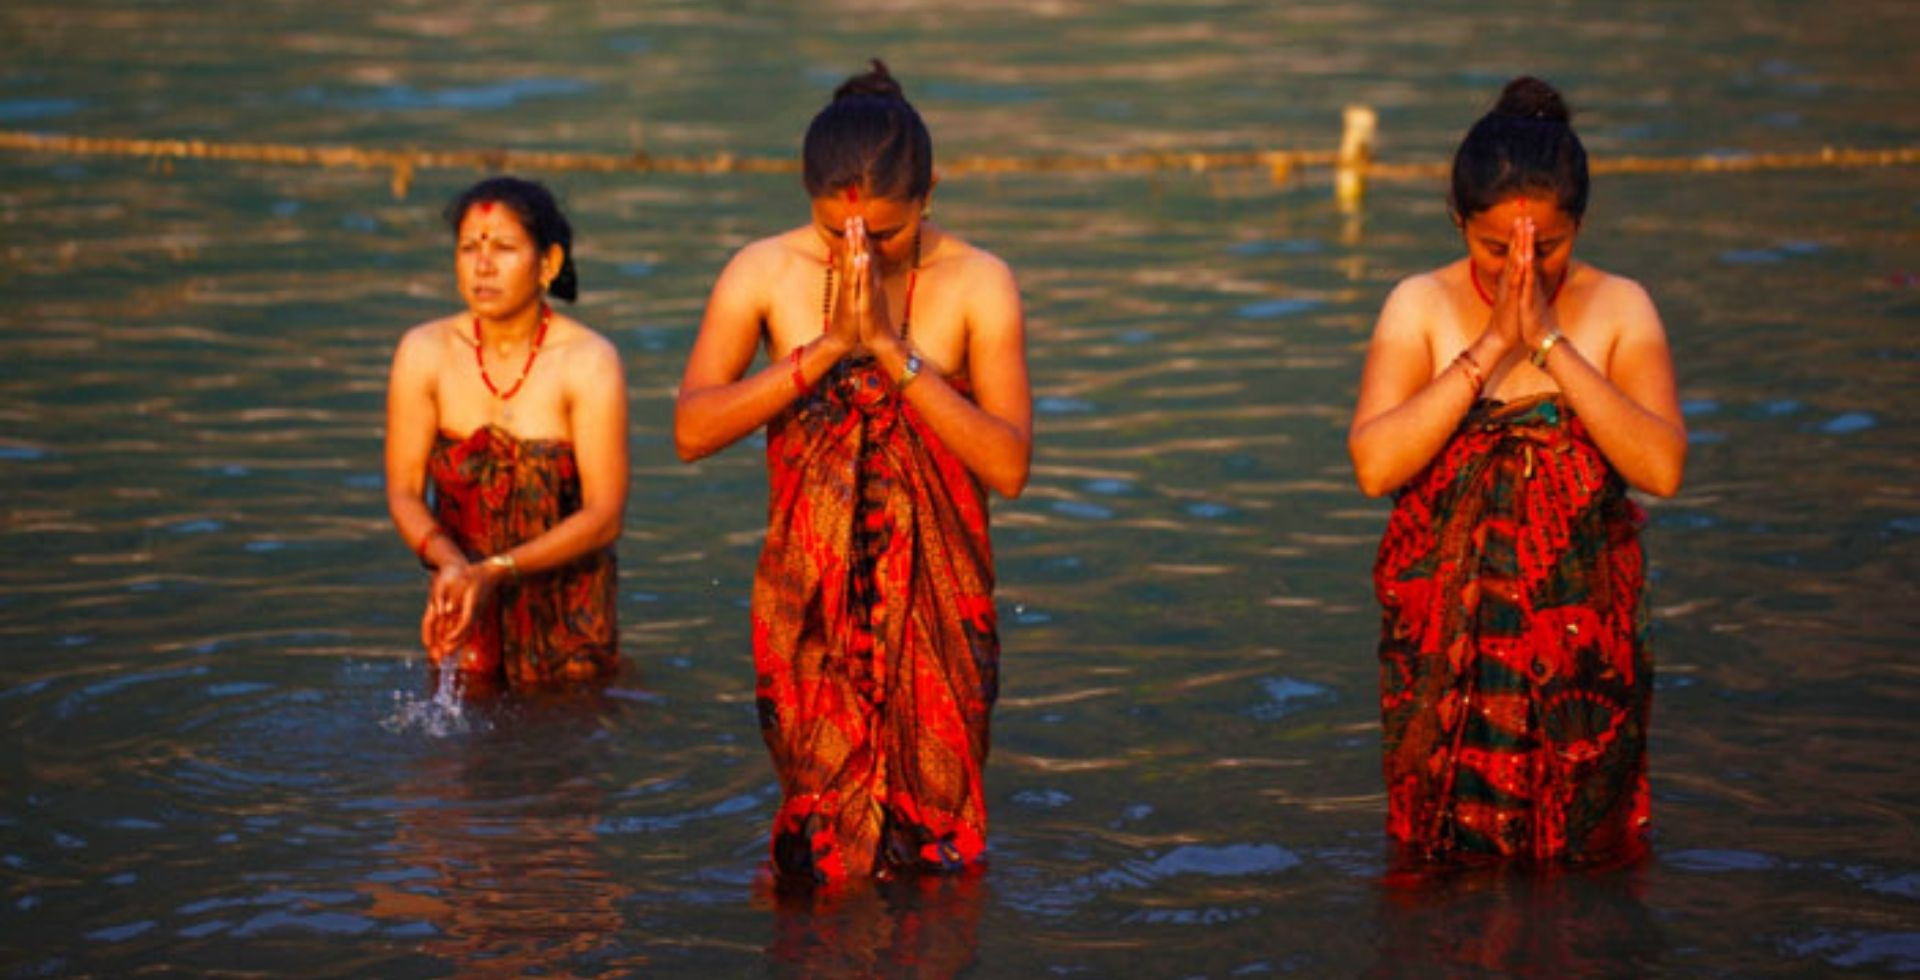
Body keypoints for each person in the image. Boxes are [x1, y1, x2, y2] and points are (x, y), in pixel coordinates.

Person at [675, 60, 1031, 884]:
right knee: (811, 853)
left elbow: (1008, 465)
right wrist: (829, 349)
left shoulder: (980, 282)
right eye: (839, 236)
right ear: (810, 199)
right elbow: (692, 430)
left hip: (941, 605)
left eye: (887, 234)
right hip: (808, 602)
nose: (861, 252)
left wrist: (894, 354)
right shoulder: (762, 272)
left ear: (931, 192)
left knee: (938, 858)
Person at [1348, 77, 1686, 866]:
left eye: (1549, 246)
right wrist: (1491, 345)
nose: (1519, 268)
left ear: (1580, 226)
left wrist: (1548, 346)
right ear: (1458, 222)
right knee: (1437, 850)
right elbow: (1375, 464)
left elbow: (1662, 467)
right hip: (1445, 636)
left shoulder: (1621, 307)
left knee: (1586, 854)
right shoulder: (1418, 305)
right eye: (1494, 249)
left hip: (1581, 637)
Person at [386, 176, 628, 693]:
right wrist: (454, 566)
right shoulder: (423, 352)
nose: (483, 265)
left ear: (549, 264)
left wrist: (495, 570)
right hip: (462, 608)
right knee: (455, 757)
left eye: (504, 248)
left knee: (570, 747)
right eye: (469, 247)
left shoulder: (588, 362)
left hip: (569, 623)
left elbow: (605, 517)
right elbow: (404, 492)